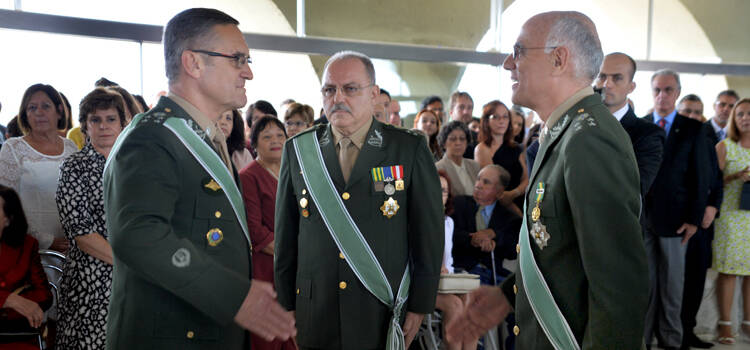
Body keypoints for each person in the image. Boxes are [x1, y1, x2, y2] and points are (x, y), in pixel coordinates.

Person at [446, 11, 648, 349]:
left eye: (520, 50)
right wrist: (509, 294)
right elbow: (559, 249)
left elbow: (619, 285)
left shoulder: (589, 139)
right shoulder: (565, 132)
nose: (509, 63)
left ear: (559, 58)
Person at [102, 8, 295, 349]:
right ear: (193, 63)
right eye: (238, 59)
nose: (248, 72)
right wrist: (233, 294)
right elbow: (139, 234)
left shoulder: (202, 137)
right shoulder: (153, 138)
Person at [275, 50, 443, 350]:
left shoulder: (407, 148)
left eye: (350, 88)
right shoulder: (299, 151)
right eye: (329, 89)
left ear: (374, 94)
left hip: (380, 306)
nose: (338, 97)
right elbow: (287, 239)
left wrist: (420, 305)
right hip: (316, 310)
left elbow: (428, 235)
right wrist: (287, 305)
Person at [54, 87, 128, 349]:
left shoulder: (134, 166)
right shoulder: (74, 167)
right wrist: (130, 266)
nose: (104, 126)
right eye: (95, 120)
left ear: (123, 123)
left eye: (111, 119)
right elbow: (82, 234)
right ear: (85, 125)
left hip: (135, 278)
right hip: (90, 279)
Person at [643, 69, 710, 350]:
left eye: (668, 90)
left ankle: (671, 341)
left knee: (672, 288)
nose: (662, 95)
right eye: (657, 89)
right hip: (642, 219)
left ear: (678, 92)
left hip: (677, 222)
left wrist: (695, 220)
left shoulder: (694, 128)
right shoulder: (641, 125)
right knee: (644, 286)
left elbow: (702, 176)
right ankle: (641, 340)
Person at [0, 84, 78, 251]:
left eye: (46, 106)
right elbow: (6, 206)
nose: (39, 112)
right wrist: (46, 241)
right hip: (29, 249)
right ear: (25, 114)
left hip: (73, 247)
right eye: (32, 108)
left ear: (59, 111)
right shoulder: (13, 148)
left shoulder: (71, 148)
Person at [239, 117, 295, 350]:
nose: (275, 141)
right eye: (267, 136)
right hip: (265, 269)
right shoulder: (248, 176)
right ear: (254, 144)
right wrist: (291, 252)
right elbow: (255, 230)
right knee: (268, 339)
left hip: (295, 268)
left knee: (293, 335)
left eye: (280, 135)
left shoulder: (294, 172)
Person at [713, 98, 750, 345]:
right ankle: (724, 324)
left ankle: (748, 322)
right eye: (741, 114)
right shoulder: (724, 146)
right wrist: (735, 176)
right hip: (731, 216)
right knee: (729, 271)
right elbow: (711, 184)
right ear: (734, 119)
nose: (746, 118)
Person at [0, 185, 53, 349]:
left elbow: (44, 295)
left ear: (8, 219)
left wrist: (16, 304)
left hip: (15, 333)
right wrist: (8, 299)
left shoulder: (27, 245)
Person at [450, 164, 520, 283]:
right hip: (462, 272)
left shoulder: (509, 218)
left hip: (493, 274)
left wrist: (494, 236)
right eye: (478, 179)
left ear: (499, 192)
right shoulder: (458, 204)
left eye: (486, 182)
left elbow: (512, 251)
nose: (478, 185)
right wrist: (470, 239)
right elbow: (446, 233)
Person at [434, 170, 478, 350]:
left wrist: (446, 271)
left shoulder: (448, 223)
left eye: (444, 191)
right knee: (454, 306)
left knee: (470, 304)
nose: (440, 194)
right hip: (420, 282)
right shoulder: (413, 219)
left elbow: (449, 261)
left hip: (444, 282)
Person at [474, 100, 528, 217]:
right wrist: (519, 215)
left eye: (505, 117)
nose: (501, 121)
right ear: (486, 120)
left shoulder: (517, 147)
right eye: (496, 117)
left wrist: (513, 193)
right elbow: (492, 187)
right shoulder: (482, 149)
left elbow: (526, 179)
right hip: (497, 210)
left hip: (520, 201)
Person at [435, 121, 480, 197]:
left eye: (462, 139)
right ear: (443, 143)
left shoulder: (475, 165)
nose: (458, 143)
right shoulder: (437, 168)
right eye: (453, 139)